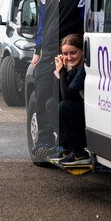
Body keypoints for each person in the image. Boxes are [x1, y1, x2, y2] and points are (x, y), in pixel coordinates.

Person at [31, 0, 86, 161]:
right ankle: (45, 141)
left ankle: (67, 144)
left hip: (68, 55)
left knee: (63, 98)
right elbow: (41, 26)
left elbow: (84, 27)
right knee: (42, 94)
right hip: (48, 55)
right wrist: (37, 52)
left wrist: (77, 54)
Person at [47, 34, 89, 167]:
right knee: (51, 104)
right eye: (65, 54)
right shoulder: (74, 69)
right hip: (81, 113)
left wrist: (62, 71)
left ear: (82, 51)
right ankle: (67, 147)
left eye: (73, 53)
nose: (69, 57)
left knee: (65, 106)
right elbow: (58, 93)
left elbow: (66, 95)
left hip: (90, 115)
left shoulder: (83, 69)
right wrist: (59, 71)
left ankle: (79, 152)